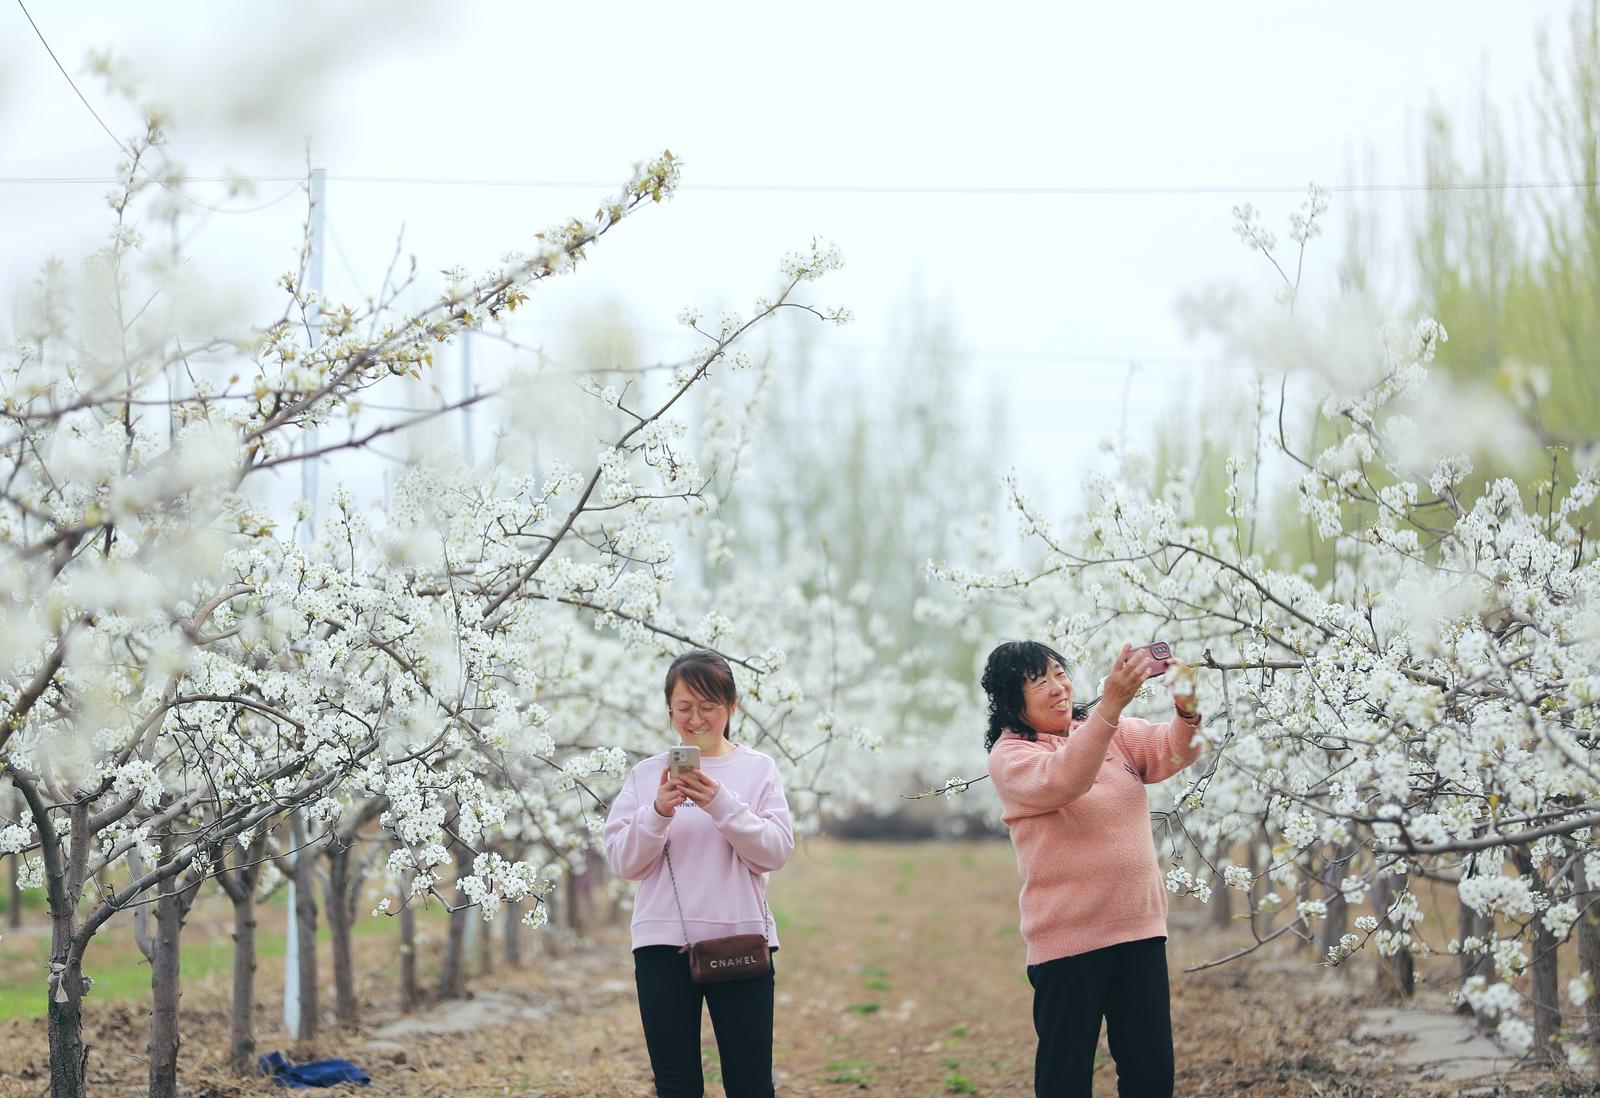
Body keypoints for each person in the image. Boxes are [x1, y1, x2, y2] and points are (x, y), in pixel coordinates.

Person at [983, 639, 1203, 1098]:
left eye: (1060, 674)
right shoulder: (1011, 757)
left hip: (1138, 930)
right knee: (1065, 1078)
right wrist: (1110, 708)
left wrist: (1186, 709)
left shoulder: (1107, 731)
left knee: (1151, 1074)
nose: (1058, 687)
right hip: (1069, 942)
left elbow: (1173, 751)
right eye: (1039, 682)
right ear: (1008, 702)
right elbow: (1066, 778)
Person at [604, 649, 795, 1098]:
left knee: (750, 1084)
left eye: (708, 706)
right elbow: (624, 862)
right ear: (669, 709)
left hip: (739, 939)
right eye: (683, 707)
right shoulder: (646, 775)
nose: (695, 719)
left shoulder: (758, 769)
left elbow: (775, 852)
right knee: (676, 1084)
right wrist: (657, 812)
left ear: (731, 706)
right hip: (661, 945)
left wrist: (721, 804)